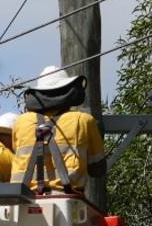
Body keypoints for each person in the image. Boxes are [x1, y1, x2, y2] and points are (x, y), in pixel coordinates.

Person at [9, 65, 106, 196]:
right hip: (67, 199)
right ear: (70, 92)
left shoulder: (21, 122)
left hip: (23, 199)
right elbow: (97, 169)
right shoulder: (83, 121)